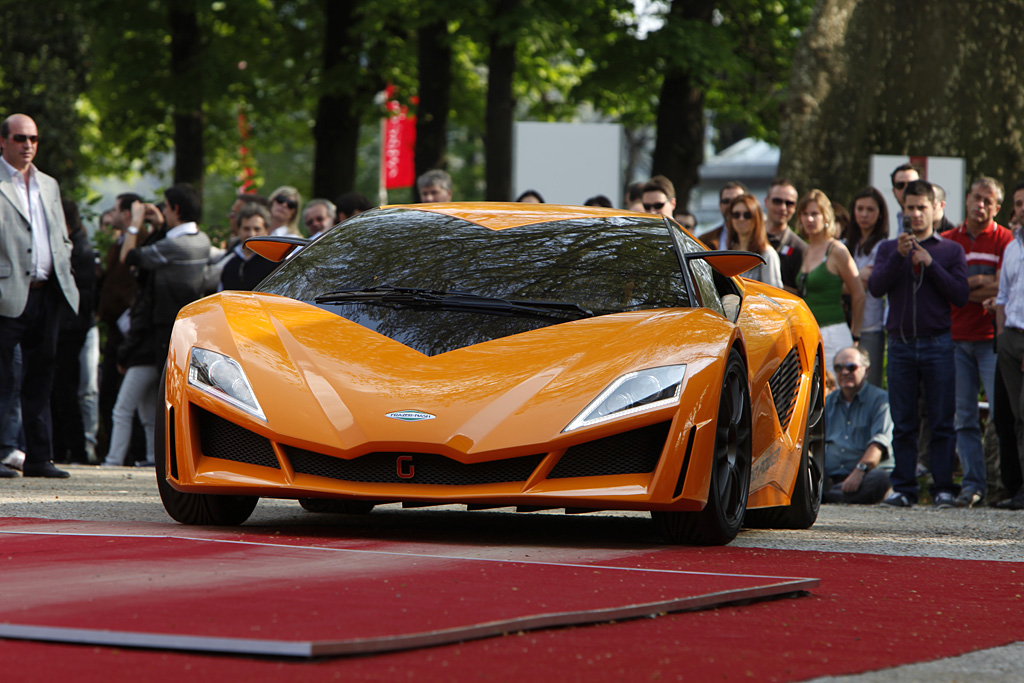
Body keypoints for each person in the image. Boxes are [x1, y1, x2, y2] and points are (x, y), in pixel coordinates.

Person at [868, 180, 969, 508]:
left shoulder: (950, 250)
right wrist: (899, 257)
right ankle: (904, 487)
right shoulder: (888, 249)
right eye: (909, 208)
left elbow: (960, 295)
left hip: (938, 344)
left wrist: (930, 262)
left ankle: (942, 487)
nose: (915, 213)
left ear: (937, 209)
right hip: (900, 346)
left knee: (942, 419)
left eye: (921, 207)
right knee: (904, 421)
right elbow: (875, 287)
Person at [104, 184, 211, 468]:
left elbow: (131, 257)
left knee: (131, 405)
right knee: (154, 403)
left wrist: (136, 225)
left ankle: (115, 460)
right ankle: (155, 458)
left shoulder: (173, 246)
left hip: (157, 334)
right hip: (182, 331)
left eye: (165, 207)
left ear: (175, 209)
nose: (162, 210)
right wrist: (161, 224)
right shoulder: (201, 240)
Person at [0, 114, 80, 479]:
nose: (27, 145)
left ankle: (37, 456)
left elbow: (60, 235)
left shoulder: (49, 184)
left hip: (46, 293)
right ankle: (2, 452)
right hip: (7, 293)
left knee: (41, 375)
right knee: (4, 377)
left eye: (33, 138)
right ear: (3, 141)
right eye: (19, 138)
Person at [944, 177, 1013, 507]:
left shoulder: (1006, 240)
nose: (980, 204)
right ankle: (973, 485)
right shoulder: (949, 240)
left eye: (988, 200)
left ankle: (1004, 483)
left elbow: (1004, 290)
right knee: (965, 417)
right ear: (967, 197)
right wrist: (984, 282)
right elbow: (947, 290)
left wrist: (964, 287)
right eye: (976, 197)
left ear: (997, 207)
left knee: (1003, 415)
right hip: (956, 340)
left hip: (991, 340)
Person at [51, 199, 97, 464]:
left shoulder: (77, 249)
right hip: (72, 326)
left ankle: (73, 450)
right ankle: (68, 449)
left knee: (65, 391)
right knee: (63, 391)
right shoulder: (81, 246)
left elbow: (82, 295)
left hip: (70, 328)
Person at [796, 189, 864, 366]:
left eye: (815, 214)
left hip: (833, 335)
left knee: (835, 392)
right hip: (808, 334)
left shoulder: (836, 250)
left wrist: (855, 336)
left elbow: (858, 294)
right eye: (805, 214)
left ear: (826, 217)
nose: (809, 219)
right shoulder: (806, 250)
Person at [823, 347, 894, 504]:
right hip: (831, 475)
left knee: (880, 479)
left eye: (851, 367)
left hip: (865, 474)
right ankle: (834, 495)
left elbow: (878, 444)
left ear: (866, 370)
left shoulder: (881, 401)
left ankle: (826, 498)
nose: (844, 372)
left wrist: (859, 471)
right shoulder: (827, 403)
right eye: (839, 368)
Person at [844, 187, 889, 387]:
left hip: (870, 327)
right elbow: (850, 283)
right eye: (859, 208)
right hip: (842, 325)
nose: (864, 214)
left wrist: (845, 279)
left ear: (880, 214)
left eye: (870, 209)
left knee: (868, 387)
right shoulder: (843, 244)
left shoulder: (883, 246)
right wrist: (856, 279)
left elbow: (868, 282)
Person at [993, 220, 1024, 509]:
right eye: (1019, 205)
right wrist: (1002, 336)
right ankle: (1018, 489)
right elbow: (1002, 296)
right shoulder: (1012, 248)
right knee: (1016, 417)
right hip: (1010, 339)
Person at [724, 194, 782, 288]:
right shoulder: (730, 252)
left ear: (756, 218)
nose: (741, 219)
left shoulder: (768, 254)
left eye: (747, 215)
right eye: (736, 215)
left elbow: (774, 295)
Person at [763, 178, 807, 295]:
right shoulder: (747, 237)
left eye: (789, 203)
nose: (783, 208)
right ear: (766, 202)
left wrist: (768, 286)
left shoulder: (800, 249)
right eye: (777, 201)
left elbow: (802, 293)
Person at [219, 204, 277, 291]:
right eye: (246, 229)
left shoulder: (276, 264)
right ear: (239, 230)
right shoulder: (230, 264)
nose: (251, 234)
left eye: (257, 229)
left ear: (267, 231)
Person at [698, 181, 748, 249]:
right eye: (726, 201)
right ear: (720, 205)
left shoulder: (760, 239)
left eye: (736, 200)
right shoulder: (704, 240)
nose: (731, 205)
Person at [890, 162, 921, 228]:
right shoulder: (886, 225)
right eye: (900, 185)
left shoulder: (935, 222)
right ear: (894, 191)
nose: (906, 189)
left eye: (911, 184)